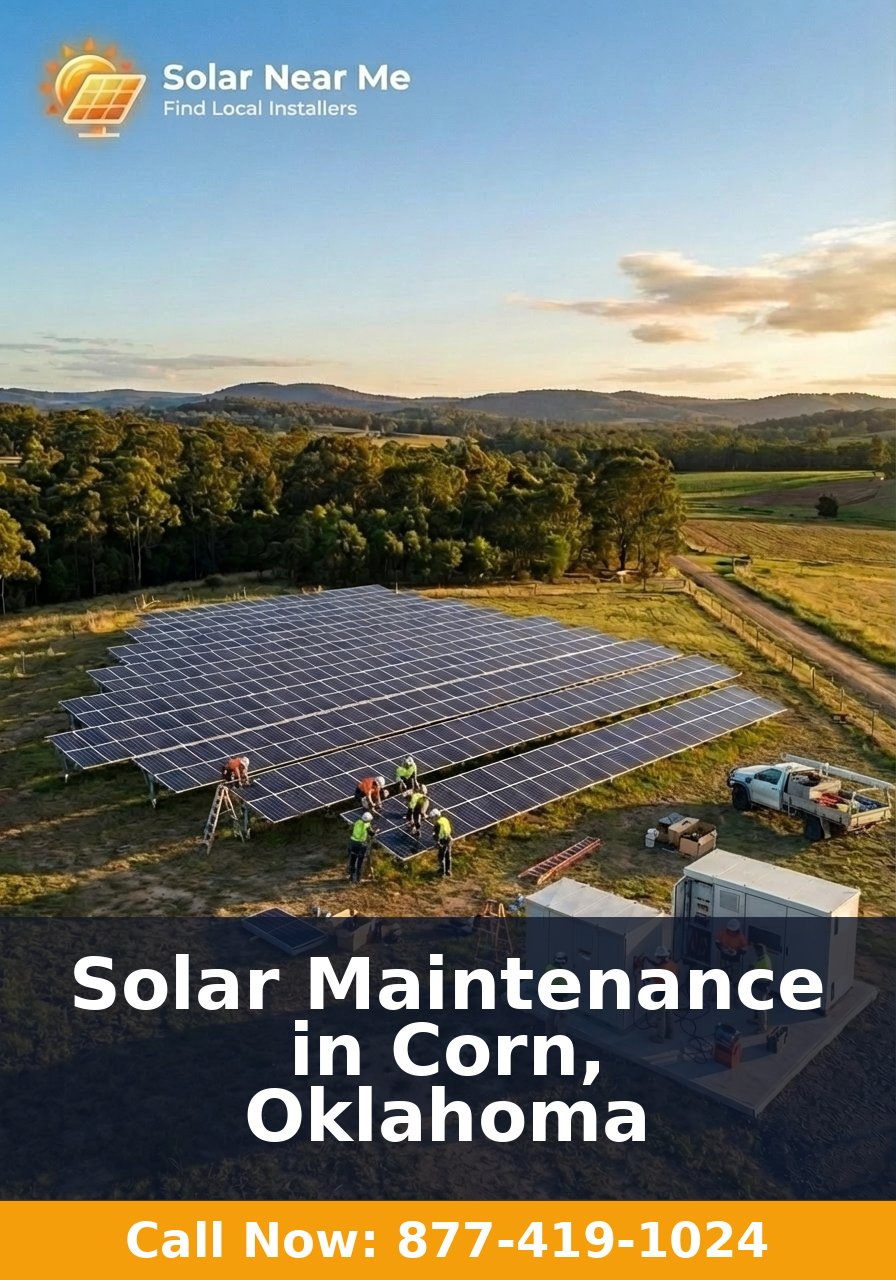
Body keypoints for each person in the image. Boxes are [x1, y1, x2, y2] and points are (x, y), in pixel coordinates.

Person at [647, 945, 678, 1043]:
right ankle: (670, 1033)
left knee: (661, 1017)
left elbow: (649, 978)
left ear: (660, 957)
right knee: (669, 1014)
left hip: (661, 994)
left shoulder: (659, 970)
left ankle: (660, 1037)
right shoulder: (673, 965)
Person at [543, 950, 570, 1034]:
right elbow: (563, 990)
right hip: (558, 998)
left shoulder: (548, 967)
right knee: (563, 1017)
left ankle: (548, 1034)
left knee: (550, 1016)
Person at [750, 943, 774, 1033]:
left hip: (761, 986)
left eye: (756, 951)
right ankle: (757, 1020)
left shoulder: (763, 961)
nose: (755, 953)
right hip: (761, 985)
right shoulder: (765, 958)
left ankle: (762, 1028)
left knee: (761, 1008)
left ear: (759, 951)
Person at [347, 812, 375, 884]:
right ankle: (358, 879)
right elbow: (371, 833)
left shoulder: (357, 822)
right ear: (368, 820)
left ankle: (351, 877)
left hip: (352, 842)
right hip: (360, 844)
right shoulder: (367, 825)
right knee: (360, 862)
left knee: (352, 860)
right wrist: (375, 832)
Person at [430, 809, 453, 877]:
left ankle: (442, 872)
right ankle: (448, 871)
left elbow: (436, 835)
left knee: (441, 856)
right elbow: (449, 828)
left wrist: (437, 843)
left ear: (436, 816)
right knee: (448, 856)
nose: (432, 819)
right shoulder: (444, 819)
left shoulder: (437, 824)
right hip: (449, 839)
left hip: (443, 841)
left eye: (432, 818)